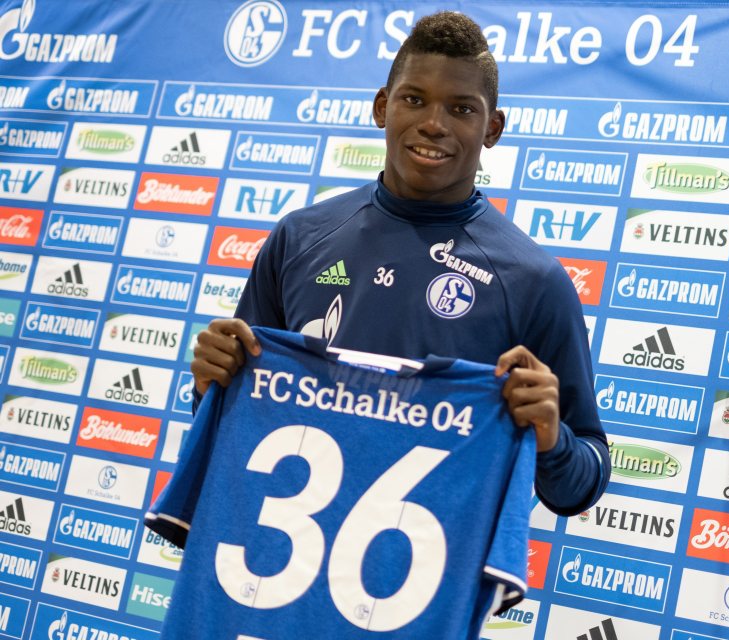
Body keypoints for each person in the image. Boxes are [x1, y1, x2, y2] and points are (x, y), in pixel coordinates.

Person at [190, 11, 609, 517]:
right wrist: (211, 387)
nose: (434, 123)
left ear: (492, 128)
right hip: (280, 566)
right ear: (382, 106)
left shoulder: (534, 282)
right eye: (414, 100)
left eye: (461, 108)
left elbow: (580, 483)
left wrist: (552, 439)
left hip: (434, 585)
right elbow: (237, 422)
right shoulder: (298, 238)